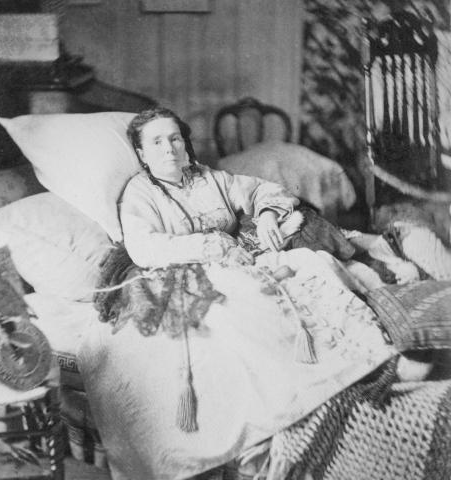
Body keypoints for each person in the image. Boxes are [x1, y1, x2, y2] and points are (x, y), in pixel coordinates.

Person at [77, 107, 395, 480]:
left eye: (175, 138)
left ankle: (369, 360)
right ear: (143, 154)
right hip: (186, 272)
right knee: (245, 303)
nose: (170, 149)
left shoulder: (209, 178)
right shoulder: (139, 195)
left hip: (240, 257)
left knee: (314, 265)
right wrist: (210, 245)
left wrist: (266, 216)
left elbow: (260, 189)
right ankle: (288, 406)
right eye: (157, 142)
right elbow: (146, 248)